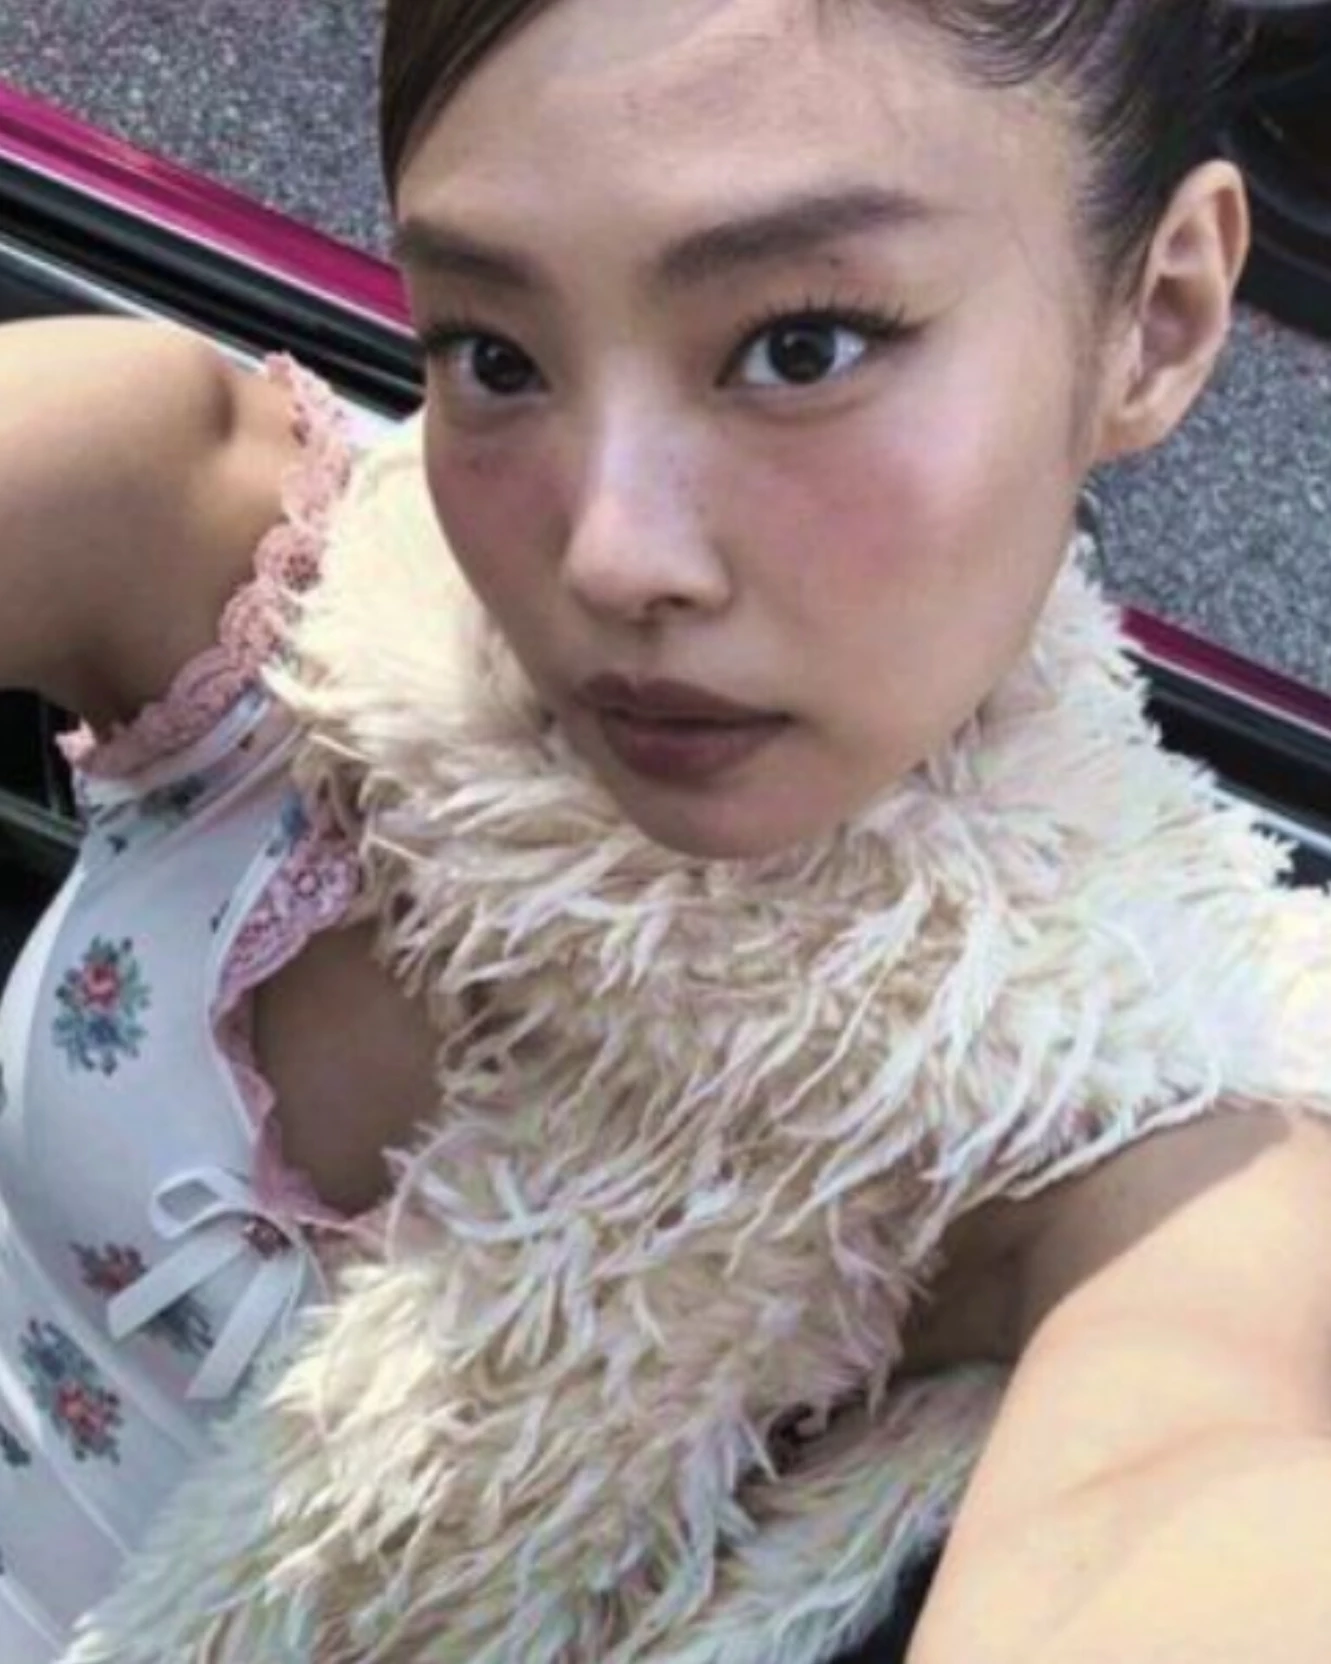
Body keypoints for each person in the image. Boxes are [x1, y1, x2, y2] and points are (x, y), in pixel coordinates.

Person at [0, 0, 1328, 1658]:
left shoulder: (1147, 1114)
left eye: (800, 348)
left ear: (1159, 315)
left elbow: (1185, 1487)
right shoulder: (227, 552)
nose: (612, 553)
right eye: (494, 354)